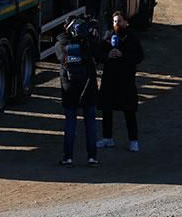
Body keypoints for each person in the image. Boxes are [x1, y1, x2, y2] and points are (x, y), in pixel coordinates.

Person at [96, 11, 145, 153]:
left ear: (126, 22)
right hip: (110, 79)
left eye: (120, 21)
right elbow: (98, 54)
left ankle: (133, 141)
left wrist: (123, 55)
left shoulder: (132, 38)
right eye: (115, 21)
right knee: (106, 108)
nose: (117, 24)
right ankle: (107, 138)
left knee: (129, 110)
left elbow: (139, 56)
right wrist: (107, 55)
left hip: (126, 80)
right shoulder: (109, 37)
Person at [55, 18, 99, 166]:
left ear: (65, 27)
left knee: (70, 124)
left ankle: (68, 157)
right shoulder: (88, 42)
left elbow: (63, 59)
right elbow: (98, 54)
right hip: (88, 87)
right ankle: (92, 157)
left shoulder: (61, 43)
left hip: (69, 88)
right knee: (90, 125)